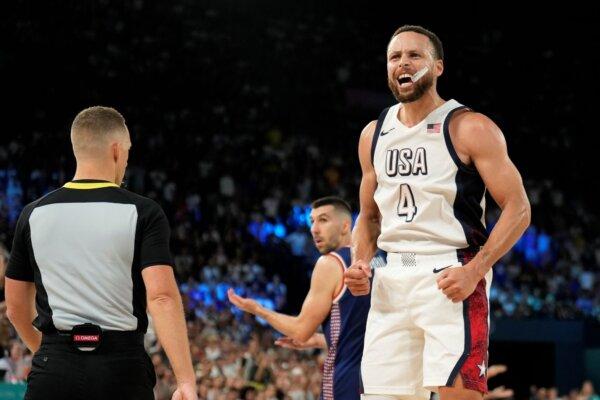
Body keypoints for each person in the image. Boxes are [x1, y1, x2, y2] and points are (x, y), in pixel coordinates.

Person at [345, 25, 531, 400]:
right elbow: (368, 217)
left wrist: (476, 270)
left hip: (451, 274)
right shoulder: (373, 134)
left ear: (438, 67)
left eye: (414, 55)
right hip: (390, 276)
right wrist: (360, 262)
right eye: (395, 57)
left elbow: (519, 208)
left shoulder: (469, 127)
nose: (403, 63)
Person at [5, 106, 197, 400]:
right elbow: (161, 297)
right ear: (117, 150)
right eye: (129, 151)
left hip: (54, 369)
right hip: (121, 370)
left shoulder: (33, 214)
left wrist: (50, 354)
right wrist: (185, 380)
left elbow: (16, 307)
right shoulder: (142, 212)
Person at [229, 196, 383, 400]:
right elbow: (362, 332)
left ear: (346, 226)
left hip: (345, 381)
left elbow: (300, 331)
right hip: (384, 379)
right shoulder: (382, 260)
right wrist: (320, 340)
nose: (314, 229)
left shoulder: (330, 263)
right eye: (312, 221)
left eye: (323, 220)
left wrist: (259, 310)